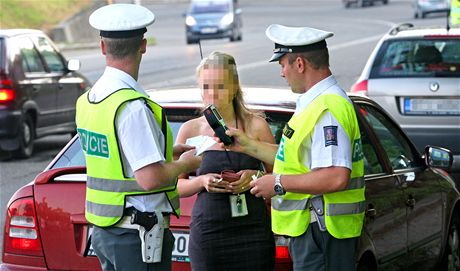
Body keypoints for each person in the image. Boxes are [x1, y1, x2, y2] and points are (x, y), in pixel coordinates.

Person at [224, 24, 365, 271]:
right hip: (316, 229)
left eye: (283, 65)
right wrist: (247, 146)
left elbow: (335, 177)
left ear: (299, 64)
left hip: (321, 230)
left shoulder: (326, 110)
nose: (282, 73)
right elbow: (299, 160)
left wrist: (277, 183)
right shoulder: (315, 104)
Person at [75, 4, 201, 271]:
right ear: (143, 45)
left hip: (105, 230)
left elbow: (117, 157)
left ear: (102, 47)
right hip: (137, 236)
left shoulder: (89, 101)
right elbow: (150, 178)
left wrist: (166, 153)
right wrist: (188, 165)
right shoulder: (132, 107)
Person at [175, 51, 276, 271]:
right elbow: (174, 186)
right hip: (208, 232)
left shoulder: (256, 126)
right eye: (205, 87)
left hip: (253, 232)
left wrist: (255, 177)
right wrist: (201, 182)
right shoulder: (190, 129)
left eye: (219, 86)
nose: (212, 94)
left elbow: (280, 174)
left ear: (234, 87)